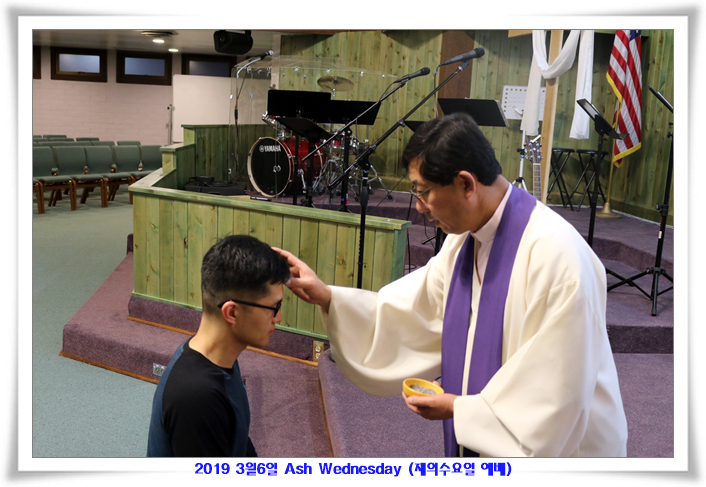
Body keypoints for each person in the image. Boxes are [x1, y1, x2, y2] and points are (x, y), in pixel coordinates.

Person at [276, 112, 628, 457]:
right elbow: (414, 311)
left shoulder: (558, 258)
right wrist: (329, 298)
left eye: (423, 192)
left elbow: (554, 394)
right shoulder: (465, 241)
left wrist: (460, 409)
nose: (419, 207)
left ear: (466, 184)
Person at [147, 235, 289, 457]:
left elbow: (238, 443)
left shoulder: (221, 359)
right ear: (232, 312)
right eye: (274, 307)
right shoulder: (197, 397)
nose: (278, 318)